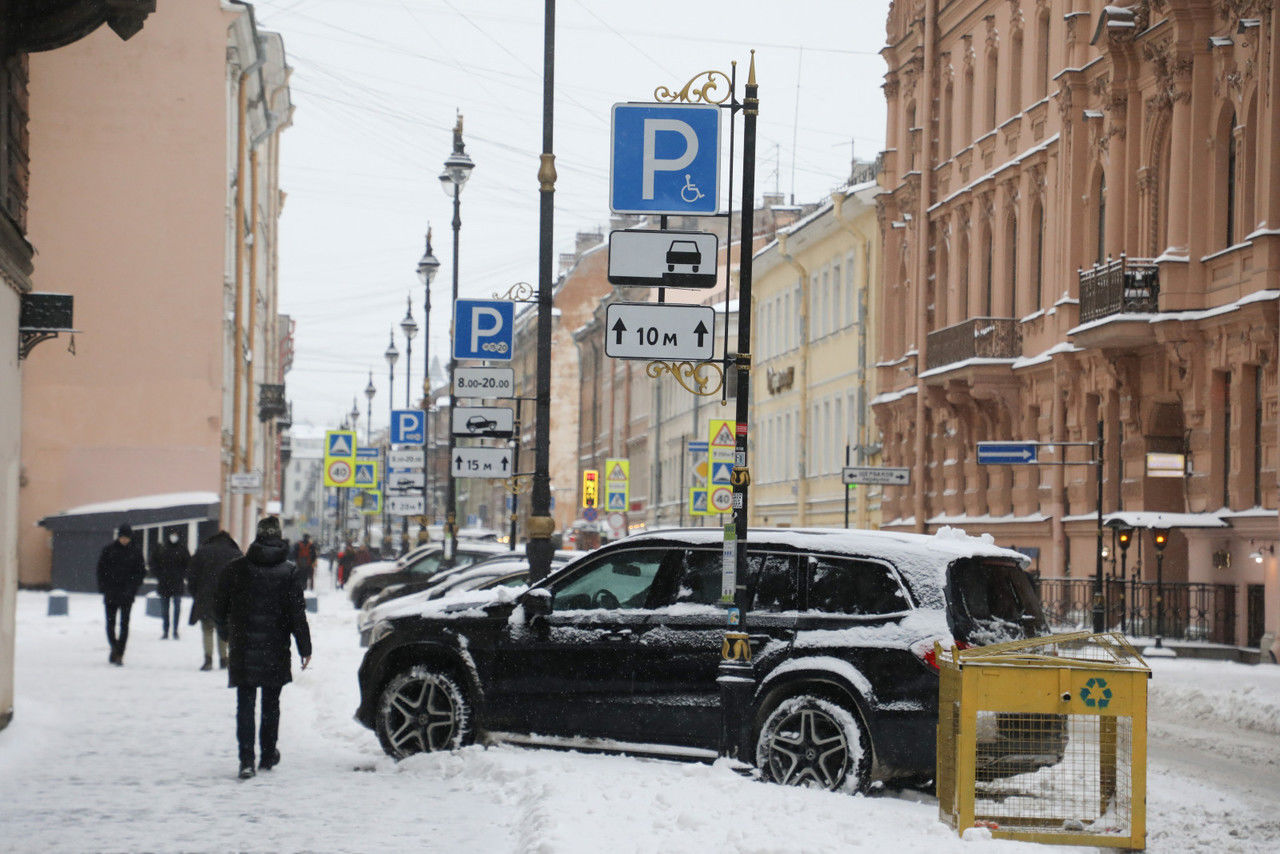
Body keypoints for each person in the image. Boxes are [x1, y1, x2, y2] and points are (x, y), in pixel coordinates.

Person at [216, 516, 312, 780]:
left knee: (245, 703)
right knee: (271, 703)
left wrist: (226, 634)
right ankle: (268, 754)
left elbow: (220, 605)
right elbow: (297, 615)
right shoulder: (289, 571)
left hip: (244, 647)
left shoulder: (236, 569)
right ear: (279, 536)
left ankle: (246, 760)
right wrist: (305, 647)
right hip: (275, 648)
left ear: (258, 536)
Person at [188, 530, 242, 671]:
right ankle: (224, 658)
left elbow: (192, 576)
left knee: (207, 628)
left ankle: (208, 659)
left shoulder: (203, 552)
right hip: (227, 597)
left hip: (205, 596)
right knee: (223, 627)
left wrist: (196, 593)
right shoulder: (235, 553)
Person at [96, 522, 146, 666]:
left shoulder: (135, 552)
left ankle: (119, 653)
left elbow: (140, 573)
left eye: (127, 537)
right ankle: (114, 646)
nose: (124, 540)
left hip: (127, 594)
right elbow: (101, 570)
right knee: (110, 624)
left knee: (124, 625)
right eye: (122, 537)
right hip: (111, 593)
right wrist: (104, 587)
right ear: (118, 537)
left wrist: (133, 588)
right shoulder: (109, 551)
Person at [151, 531, 189, 640]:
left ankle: (175, 630)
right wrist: (159, 575)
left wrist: (182, 575)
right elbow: (153, 563)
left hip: (177, 583)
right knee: (165, 609)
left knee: (177, 608)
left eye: (176, 535)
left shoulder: (182, 549)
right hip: (164, 583)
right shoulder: (161, 549)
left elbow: (188, 564)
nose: (174, 537)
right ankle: (165, 630)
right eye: (172, 535)